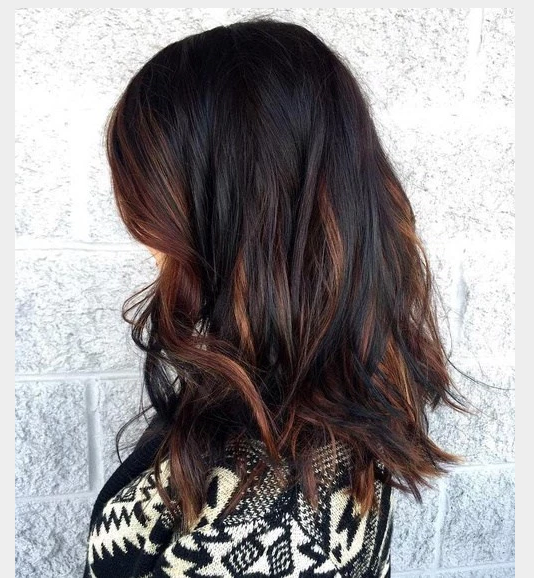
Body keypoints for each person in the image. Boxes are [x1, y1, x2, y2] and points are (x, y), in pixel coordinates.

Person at [84, 17, 467, 578]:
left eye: (148, 206)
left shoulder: (266, 532)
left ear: (221, 219)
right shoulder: (318, 403)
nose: (145, 241)